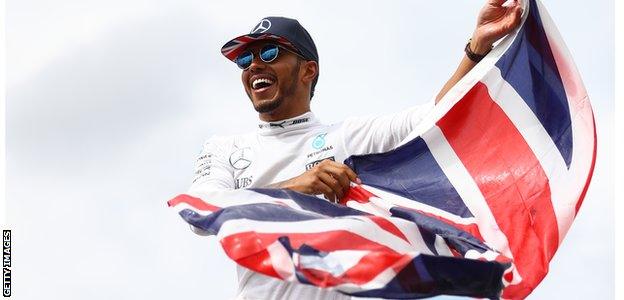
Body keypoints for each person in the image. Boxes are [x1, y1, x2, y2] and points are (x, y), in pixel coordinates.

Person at [188, 1, 523, 299]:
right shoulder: (224, 148)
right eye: (245, 59)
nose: (254, 66)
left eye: (270, 54)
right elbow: (200, 215)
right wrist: (296, 187)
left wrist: (477, 47)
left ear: (308, 70)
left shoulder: (347, 137)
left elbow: (434, 117)